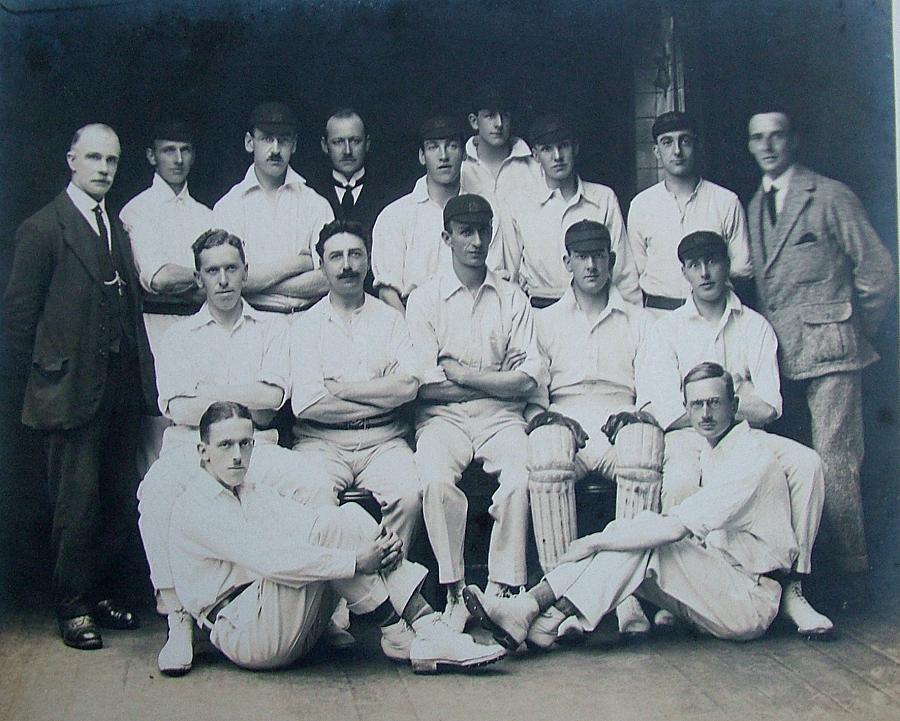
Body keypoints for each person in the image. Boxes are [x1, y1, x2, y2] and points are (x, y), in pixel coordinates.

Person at [463, 363, 819, 652]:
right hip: (723, 580)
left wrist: (595, 541)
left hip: (750, 601)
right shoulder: (714, 448)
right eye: (696, 405)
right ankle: (540, 619)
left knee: (645, 541)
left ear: (735, 406)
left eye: (714, 403)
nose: (705, 413)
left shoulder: (750, 460)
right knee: (637, 536)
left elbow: (675, 529)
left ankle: (530, 609)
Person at [168, 401, 507, 674]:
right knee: (334, 529)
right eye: (225, 445)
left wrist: (372, 543)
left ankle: (425, 629)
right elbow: (271, 563)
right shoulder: (196, 506)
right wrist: (357, 559)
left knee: (342, 517)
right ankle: (413, 631)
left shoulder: (250, 490)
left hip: (276, 613)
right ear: (203, 452)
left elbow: (310, 524)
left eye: (245, 444)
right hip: (246, 633)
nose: (237, 455)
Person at [137, 229, 324, 675]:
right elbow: (178, 408)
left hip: (258, 448)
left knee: (315, 484)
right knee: (155, 496)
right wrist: (243, 398)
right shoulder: (178, 337)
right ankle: (177, 618)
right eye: (212, 271)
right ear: (200, 278)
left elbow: (274, 399)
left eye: (231, 269)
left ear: (245, 272)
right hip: (193, 451)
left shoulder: (272, 328)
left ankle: (327, 606)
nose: (223, 280)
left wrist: (211, 395)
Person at [3, 124, 156, 650]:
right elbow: (19, 323)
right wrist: (46, 379)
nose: (103, 168)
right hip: (68, 391)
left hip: (118, 389)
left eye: (111, 160)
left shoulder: (115, 226)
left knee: (116, 496)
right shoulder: (43, 229)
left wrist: (142, 386)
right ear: (71, 159)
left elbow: (130, 313)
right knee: (76, 504)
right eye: (93, 157)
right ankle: (72, 607)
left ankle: (105, 594)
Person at [637, 230, 833, 636]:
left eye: (713, 262)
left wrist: (721, 409)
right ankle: (690, 589)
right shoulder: (666, 329)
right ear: (684, 272)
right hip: (688, 435)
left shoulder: (755, 326)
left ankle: (793, 586)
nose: (706, 273)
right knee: (680, 480)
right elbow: (666, 410)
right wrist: (728, 400)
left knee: (807, 463)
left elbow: (771, 405)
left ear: (727, 267)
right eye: (695, 265)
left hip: (744, 435)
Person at [745, 110, 896, 592]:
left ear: (794, 139)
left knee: (836, 461)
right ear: (750, 146)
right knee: (793, 465)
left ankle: (852, 575)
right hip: (782, 360)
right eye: (758, 139)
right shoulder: (754, 204)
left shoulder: (829, 196)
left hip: (832, 353)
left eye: (778, 136)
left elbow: (878, 274)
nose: (768, 146)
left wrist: (850, 327)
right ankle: (802, 574)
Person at [406, 194, 547, 631]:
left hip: (501, 417)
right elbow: (424, 387)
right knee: (433, 481)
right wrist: (492, 379)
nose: (477, 240)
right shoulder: (424, 299)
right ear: (447, 237)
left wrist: (464, 375)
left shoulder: (511, 297)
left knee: (523, 476)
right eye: (466, 232)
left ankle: (503, 591)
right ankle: (454, 591)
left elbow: (528, 379)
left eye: (484, 230)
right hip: (442, 419)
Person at [526, 219, 657, 639]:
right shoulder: (543, 321)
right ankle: (562, 601)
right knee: (546, 448)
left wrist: (636, 415)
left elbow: (653, 390)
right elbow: (535, 395)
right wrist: (549, 417)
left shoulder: (640, 320)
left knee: (643, 446)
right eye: (581, 256)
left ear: (611, 260)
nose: (591, 265)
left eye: (598, 255)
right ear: (567, 262)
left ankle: (628, 595)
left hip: (620, 420)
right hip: (569, 423)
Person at [278, 219, 421, 559]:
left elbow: (410, 386)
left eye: (355, 255)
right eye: (336, 257)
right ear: (323, 266)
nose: (347, 266)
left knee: (409, 494)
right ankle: (343, 598)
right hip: (321, 443)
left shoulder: (391, 320)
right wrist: (382, 395)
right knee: (312, 499)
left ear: (368, 260)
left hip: (384, 442)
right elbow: (310, 405)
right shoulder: (304, 327)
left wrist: (343, 389)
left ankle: (395, 592)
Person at [119, 120, 212, 476]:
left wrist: (192, 279)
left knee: (199, 420)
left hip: (199, 326)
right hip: (154, 329)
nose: (177, 159)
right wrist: (201, 276)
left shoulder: (206, 214)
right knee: (159, 432)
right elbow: (157, 278)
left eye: (185, 150)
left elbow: (215, 276)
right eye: (168, 150)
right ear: (151, 155)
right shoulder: (137, 210)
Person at [503, 114, 640, 307]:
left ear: (575, 147)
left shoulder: (603, 198)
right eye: (547, 149)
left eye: (563, 146)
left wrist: (630, 321)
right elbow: (509, 274)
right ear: (535, 155)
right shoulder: (519, 204)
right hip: (540, 313)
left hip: (595, 310)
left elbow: (624, 273)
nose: (557, 156)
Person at [371, 116, 504, 313]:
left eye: (452, 146)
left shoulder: (484, 213)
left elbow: (493, 277)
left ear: (464, 154)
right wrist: (413, 335)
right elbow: (387, 293)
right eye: (433, 147)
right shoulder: (395, 216)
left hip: (473, 315)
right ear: (422, 156)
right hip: (411, 322)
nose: (444, 156)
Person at [212, 101, 333, 313]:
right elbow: (230, 281)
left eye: (283, 141)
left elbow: (328, 278)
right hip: (252, 323)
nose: (275, 149)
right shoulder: (229, 207)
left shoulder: (315, 204)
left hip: (308, 323)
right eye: (267, 139)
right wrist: (299, 263)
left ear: (294, 145)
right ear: (250, 142)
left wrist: (257, 283)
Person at [626, 111, 751, 315]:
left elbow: (741, 267)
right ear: (656, 151)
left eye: (684, 141)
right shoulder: (641, 205)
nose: (677, 151)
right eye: (667, 142)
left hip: (713, 315)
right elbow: (636, 271)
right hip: (658, 317)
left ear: (696, 146)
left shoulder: (726, 201)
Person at [306, 108, 396, 293]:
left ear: (367, 143)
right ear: (325, 145)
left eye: (355, 141)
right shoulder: (309, 195)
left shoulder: (390, 196)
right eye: (338, 142)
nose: (347, 150)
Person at [460, 83, 542, 214]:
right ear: (474, 121)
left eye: (505, 115)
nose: (499, 124)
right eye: (490, 115)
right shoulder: (460, 169)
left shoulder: (534, 169)